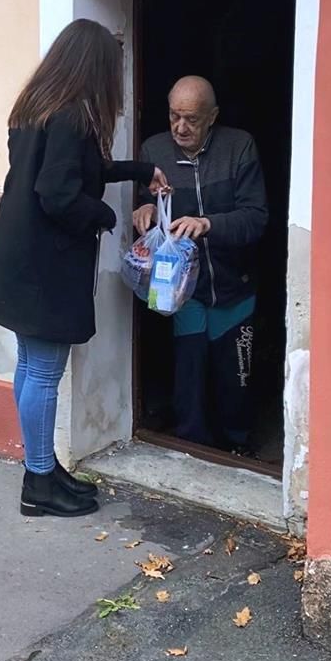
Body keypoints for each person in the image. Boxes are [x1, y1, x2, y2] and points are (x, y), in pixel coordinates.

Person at [0, 19, 168, 518]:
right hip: (46, 264)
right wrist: (105, 216)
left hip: (19, 254)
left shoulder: (35, 110)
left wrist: (141, 171)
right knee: (44, 370)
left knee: (30, 364)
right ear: (95, 67)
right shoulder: (71, 115)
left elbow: (80, 170)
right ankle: (38, 484)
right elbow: (58, 193)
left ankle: (42, 469)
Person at [133, 76, 268, 453]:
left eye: (191, 119)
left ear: (213, 116)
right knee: (188, 372)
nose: (180, 127)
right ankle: (191, 444)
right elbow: (146, 197)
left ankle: (237, 445)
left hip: (234, 283)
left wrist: (208, 224)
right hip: (182, 288)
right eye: (174, 116)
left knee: (235, 376)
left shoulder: (239, 147)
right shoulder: (154, 150)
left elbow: (256, 217)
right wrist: (144, 207)